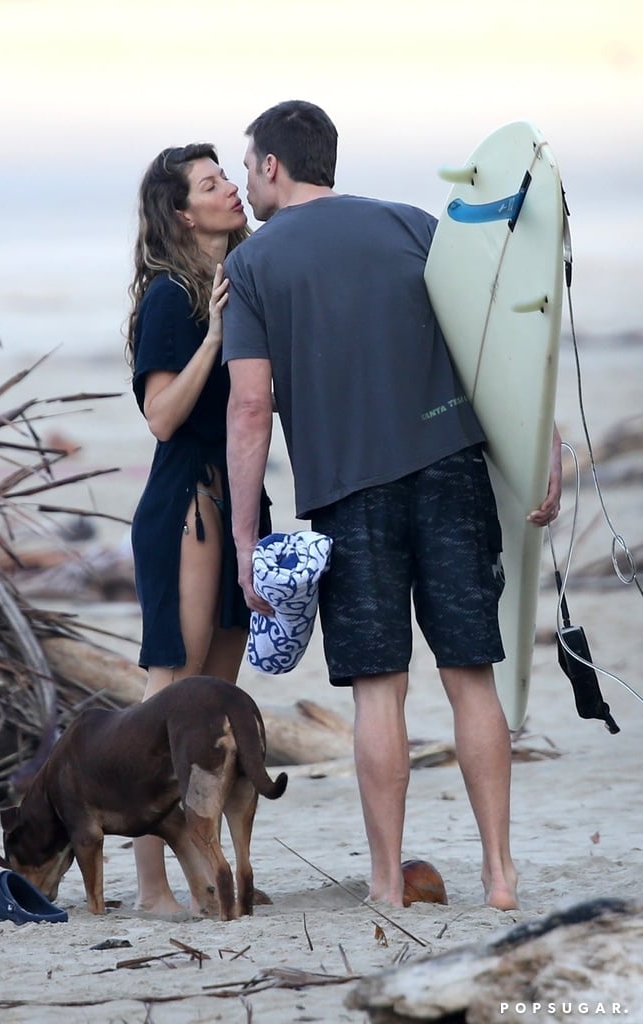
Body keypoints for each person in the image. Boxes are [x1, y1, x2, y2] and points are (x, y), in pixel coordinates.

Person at [222, 101, 562, 911]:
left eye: (246, 165)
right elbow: (499, 339)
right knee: (472, 678)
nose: (244, 180)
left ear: (273, 165)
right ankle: (500, 877)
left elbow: (249, 407)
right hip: (451, 468)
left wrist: (244, 536)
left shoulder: (254, 265)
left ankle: (383, 885)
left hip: (350, 491)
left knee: (379, 692)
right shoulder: (414, 225)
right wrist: (541, 439)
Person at [125, 143, 271, 915]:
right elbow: (161, 417)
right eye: (212, 185)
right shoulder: (170, 300)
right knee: (171, 700)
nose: (230, 192)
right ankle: (152, 890)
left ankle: (206, 867)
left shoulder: (244, 281)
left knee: (216, 711)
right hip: (184, 502)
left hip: (238, 494)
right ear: (184, 213)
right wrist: (214, 337)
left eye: (227, 179)